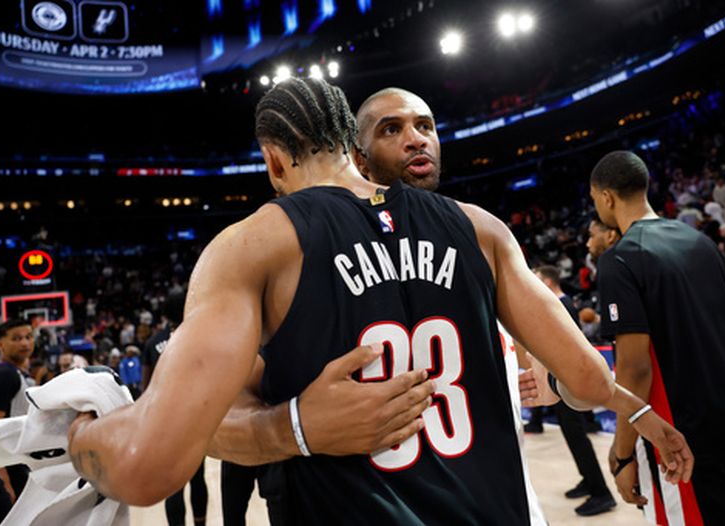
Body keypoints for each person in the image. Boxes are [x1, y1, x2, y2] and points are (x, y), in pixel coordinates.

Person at [67, 79, 692, 524]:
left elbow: (148, 467)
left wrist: (77, 431)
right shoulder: (481, 228)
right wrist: (638, 415)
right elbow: (587, 380)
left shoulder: (252, 245)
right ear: (352, 144)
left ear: (273, 161)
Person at [353, 86, 545, 524]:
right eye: (392, 129)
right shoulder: (481, 232)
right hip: (409, 498)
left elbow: (564, 371)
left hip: (495, 491)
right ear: (359, 159)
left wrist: (546, 375)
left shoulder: (481, 235)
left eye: (425, 126)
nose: (416, 139)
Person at [590, 150, 725, 525]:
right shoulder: (698, 240)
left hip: (683, 435)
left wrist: (623, 453)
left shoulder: (619, 259)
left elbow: (634, 369)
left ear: (606, 197)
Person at [534, 265, 616, 516]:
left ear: (548, 282)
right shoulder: (561, 303)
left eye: (538, 279)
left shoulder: (563, 304)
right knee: (572, 434)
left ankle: (601, 492)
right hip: (560, 377)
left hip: (567, 379)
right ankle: (588, 480)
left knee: (577, 435)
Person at [142, 291, 208, 526]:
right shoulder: (200, 337)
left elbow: (146, 388)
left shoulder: (152, 343)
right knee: (197, 477)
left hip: (164, 420)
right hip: (194, 418)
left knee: (172, 484)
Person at [0, 319, 36, 524]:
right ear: (0, 344)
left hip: (13, 463)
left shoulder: (14, 373)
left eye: (28, 337)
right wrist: (4, 481)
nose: (24, 343)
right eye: (16, 338)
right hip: (4, 467)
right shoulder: (4, 374)